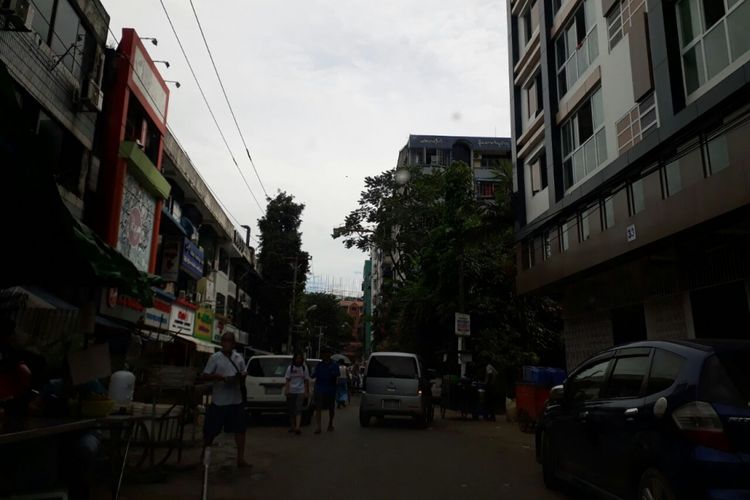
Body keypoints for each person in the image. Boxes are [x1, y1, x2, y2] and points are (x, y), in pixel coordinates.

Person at [200, 332, 249, 467]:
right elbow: (205, 375)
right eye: (225, 341)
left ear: (233, 344)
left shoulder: (238, 358)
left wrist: (240, 378)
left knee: (240, 430)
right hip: (219, 401)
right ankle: (203, 458)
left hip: (236, 400)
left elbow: (243, 373)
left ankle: (240, 458)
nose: (227, 343)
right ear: (222, 343)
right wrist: (219, 377)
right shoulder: (215, 358)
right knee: (210, 431)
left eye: (230, 341)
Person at [313, 346, 339, 434]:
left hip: (330, 389)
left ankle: (330, 423)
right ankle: (318, 426)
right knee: (318, 407)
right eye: (323, 353)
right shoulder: (319, 365)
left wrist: (332, 373)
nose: (325, 355)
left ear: (330, 354)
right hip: (320, 388)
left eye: (327, 353)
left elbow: (337, 375)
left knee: (331, 408)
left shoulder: (334, 364)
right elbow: (314, 375)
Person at [284, 352, 310, 435]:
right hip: (291, 391)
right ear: (294, 359)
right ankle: (292, 426)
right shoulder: (290, 368)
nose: (298, 360)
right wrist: (287, 390)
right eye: (297, 358)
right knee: (291, 410)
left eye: (300, 358)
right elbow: (287, 380)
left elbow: (306, 381)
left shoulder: (304, 368)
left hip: (300, 391)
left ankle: (298, 427)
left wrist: (306, 392)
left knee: (298, 409)